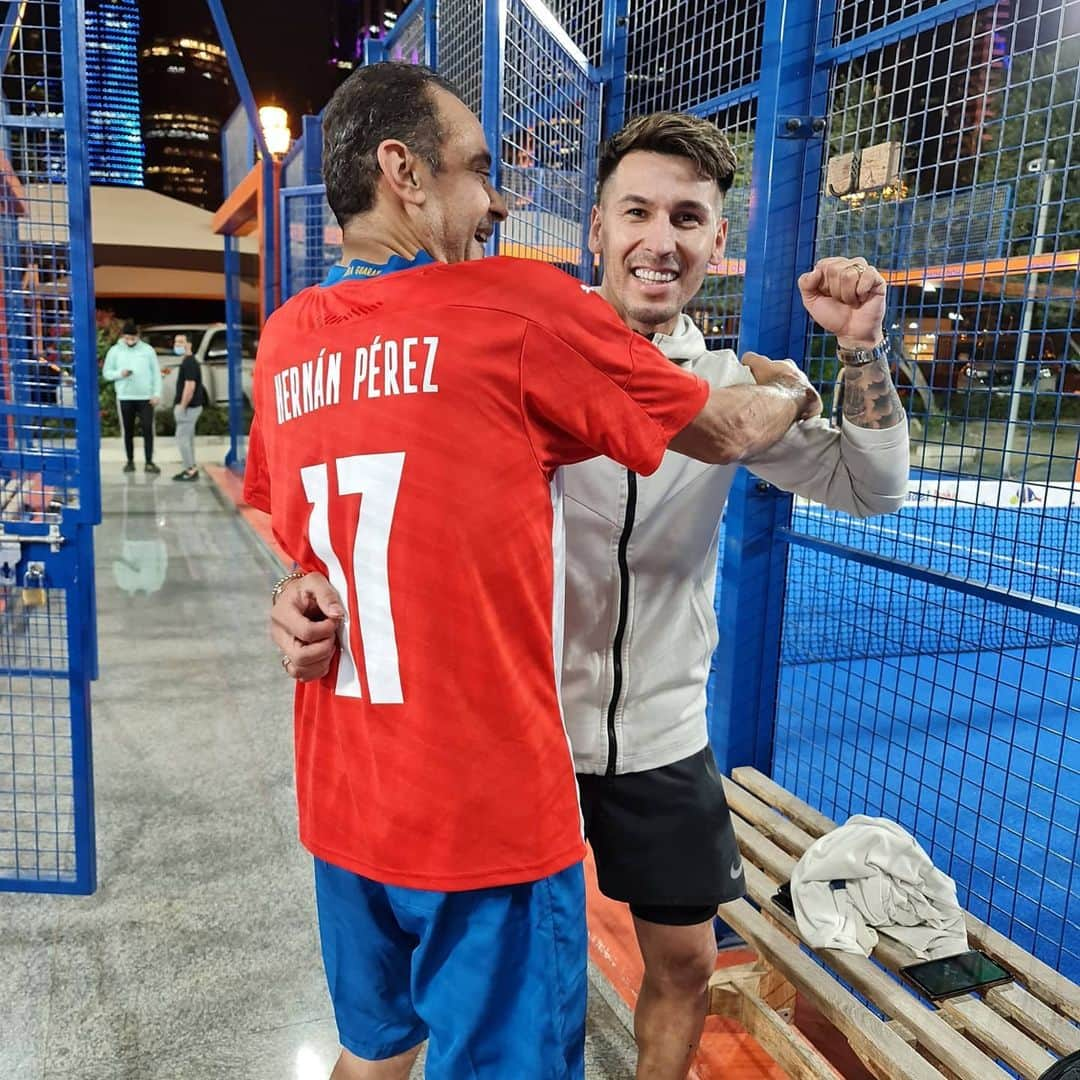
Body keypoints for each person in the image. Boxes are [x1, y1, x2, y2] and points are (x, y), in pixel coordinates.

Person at [276, 105, 909, 1080]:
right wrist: (300, 595)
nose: (661, 240)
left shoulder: (722, 377)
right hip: (505, 741)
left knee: (686, 961)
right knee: (461, 1013)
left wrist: (861, 348)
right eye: (638, 212)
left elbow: (872, 484)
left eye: (688, 218)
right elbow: (361, 521)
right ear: (598, 231)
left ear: (717, 241)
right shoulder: (501, 343)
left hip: (651, 729)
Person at [102, 320, 162, 474]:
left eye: (133, 338)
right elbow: (107, 373)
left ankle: (149, 461)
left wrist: (156, 394)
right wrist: (119, 374)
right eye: (128, 338)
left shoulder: (148, 351)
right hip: (125, 397)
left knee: (148, 429)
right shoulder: (115, 351)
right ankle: (130, 461)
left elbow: (156, 373)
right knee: (128, 431)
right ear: (123, 336)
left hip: (145, 397)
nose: (130, 341)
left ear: (138, 336)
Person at [171, 333, 205, 481]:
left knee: (182, 439)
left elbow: (190, 386)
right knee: (187, 439)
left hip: (189, 408)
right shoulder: (189, 361)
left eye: (181, 342)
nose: (177, 345)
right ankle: (191, 467)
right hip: (191, 408)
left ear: (189, 345)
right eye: (176, 342)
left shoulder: (189, 363)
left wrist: (182, 406)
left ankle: (190, 469)